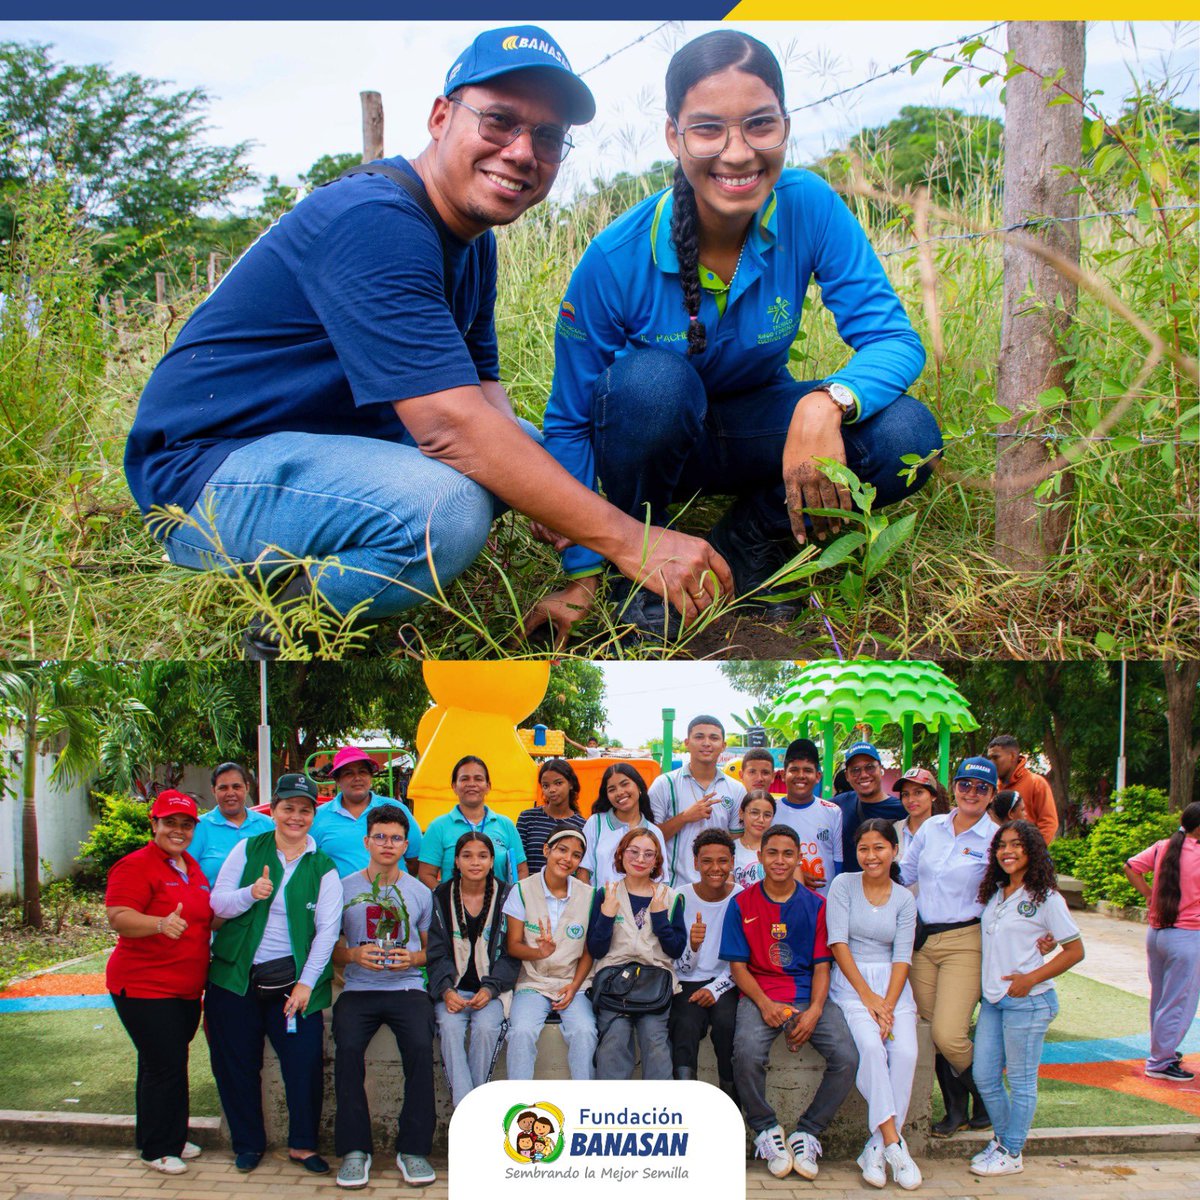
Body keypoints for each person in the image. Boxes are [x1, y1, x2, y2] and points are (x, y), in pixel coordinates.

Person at [124, 24, 730, 657]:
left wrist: (552, 495)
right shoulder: (375, 221)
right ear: (442, 117)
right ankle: (293, 618)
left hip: (315, 445)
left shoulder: (474, 242)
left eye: (547, 137)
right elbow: (449, 425)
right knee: (447, 512)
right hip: (205, 476)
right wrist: (629, 540)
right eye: (499, 121)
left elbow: (483, 387)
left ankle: (348, 542)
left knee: (526, 450)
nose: (523, 151)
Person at [535, 28, 939, 638]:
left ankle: (750, 544)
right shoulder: (613, 256)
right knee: (651, 384)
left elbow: (895, 340)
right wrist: (584, 571)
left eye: (759, 124)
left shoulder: (809, 205)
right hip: (656, 440)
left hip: (758, 433)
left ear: (784, 124)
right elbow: (569, 419)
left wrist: (826, 403)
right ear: (673, 136)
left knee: (908, 436)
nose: (738, 153)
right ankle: (640, 568)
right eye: (706, 129)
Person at [207, 773, 341, 1174]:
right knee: (236, 1063)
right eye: (288, 808)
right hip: (235, 978)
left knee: (303, 1065)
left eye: (304, 810)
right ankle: (248, 1143)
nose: (295, 817)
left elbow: (327, 931)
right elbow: (217, 903)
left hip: (292, 985)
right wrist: (251, 893)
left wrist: (305, 985)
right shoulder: (249, 848)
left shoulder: (323, 865)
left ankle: (302, 1145)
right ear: (274, 809)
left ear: (312, 815)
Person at [721, 824, 859, 1180]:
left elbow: (821, 967)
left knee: (846, 1056)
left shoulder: (816, 905)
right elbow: (738, 966)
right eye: (773, 853)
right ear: (760, 856)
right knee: (747, 1052)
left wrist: (814, 1011)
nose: (780, 861)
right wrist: (765, 1005)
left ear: (799, 858)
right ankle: (766, 1129)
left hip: (806, 993)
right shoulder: (742, 903)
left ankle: (807, 1132)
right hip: (760, 993)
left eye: (788, 854)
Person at [104, 791, 213, 1175]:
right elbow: (118, 916)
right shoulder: (136, 866)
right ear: (154, 824)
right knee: (163, 1065)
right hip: (145, 986)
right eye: (170, 823)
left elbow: (206, 918)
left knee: (167, 1062)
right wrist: (159, 924)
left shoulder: (190, 867)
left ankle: (172, 1135)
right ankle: (156, 1148)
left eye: (186, 824)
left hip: (185, 988)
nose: (178, 831)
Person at [331, 804, 436, 1189]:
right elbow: (330, 949)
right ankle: (355, 1151)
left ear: (405, 843)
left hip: (407, 987)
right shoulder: (343, 888)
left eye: (395, 838)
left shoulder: (420, 892)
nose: (387, 844)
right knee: (346, 1051)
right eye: (380, 837)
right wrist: (354, 955)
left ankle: (413, 1149)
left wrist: (413, 958)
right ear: (367, 841)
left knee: (422, 1048)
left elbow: (433, 950)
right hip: (358, 988)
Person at [971, 820, 1084, 1177]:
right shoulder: (997, 893)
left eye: (1017, 845)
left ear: (1032, 850)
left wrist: (1031, 978)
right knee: (985, 1075)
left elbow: (1075, 950)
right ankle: (1005, 1140)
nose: (1008, 851)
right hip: (994, 1001)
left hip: (1029, 1001)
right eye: (1002, 845)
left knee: (1020, 1081)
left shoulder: (1046, 898)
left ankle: (1012, 1150)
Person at [898, 757, 999, 1138]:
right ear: (953, 788)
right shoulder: (933, 829)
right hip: (923, 941)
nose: (972, 793)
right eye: (965, 784)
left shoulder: (995, 838)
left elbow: (1015, 884)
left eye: (981, 787)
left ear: (992, 794)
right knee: (929, 1030)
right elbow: (905, 873)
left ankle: (988, 1095)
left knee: (949, 1033)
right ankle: (956, 1109)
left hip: (965, 941)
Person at [826, 820, 921, 1191]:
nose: (871, 856)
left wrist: (888, 1005)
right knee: (870, 1048)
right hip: (851, 985)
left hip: (894, 988)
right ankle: (895, 1144)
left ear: (894, 850)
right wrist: (868, 998)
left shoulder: (904, 897)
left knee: (907, 1053)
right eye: (864, 849)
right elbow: (838, 943)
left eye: (879, 847)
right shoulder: (843, 885)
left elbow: (902, 955)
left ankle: (875, 1148)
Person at [427, 831, 518, 1107]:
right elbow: (436, 951)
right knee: (450, 1028)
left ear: (492, 861)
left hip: (492, 991)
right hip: (452, 990)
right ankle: (468, 1110)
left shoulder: (508, 896)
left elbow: (512, 953)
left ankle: (473, 1109)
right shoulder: (442, 895)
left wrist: (490, 989)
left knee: (486, 1029)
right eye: (467, 856)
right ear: (456, 861)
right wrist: (445, 990)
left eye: (482, 856)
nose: (475, 862)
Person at [588, 829, 687, 1079]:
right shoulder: (606, 893)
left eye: (648, 854)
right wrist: (607, 915)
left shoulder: (670, 897)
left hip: (655, 981)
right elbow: (596, 949)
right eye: (633, 851)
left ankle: (655, 1110)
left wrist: (659, 916)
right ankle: (611, 1110)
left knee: (654, 1040)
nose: (640, 859)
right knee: (614, 1038)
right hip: (614, 981)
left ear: (656, 861)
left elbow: (675, 949)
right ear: (621, 854)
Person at [503, 824, 598, 1079]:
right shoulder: (522, 890)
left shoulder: (589, 895)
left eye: (576, 855)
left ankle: (584, 1109)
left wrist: (575, 986)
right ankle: (519, 1107)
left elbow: (589, 951)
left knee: (585, 1032)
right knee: (521, 1032)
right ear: (547, 850)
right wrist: (539, 953)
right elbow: (513, 945)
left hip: (573, 982)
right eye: (562, 850)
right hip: (533, 980)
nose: (568, 859)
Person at [1124, 802, 1200, 1083]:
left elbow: (1130, 867)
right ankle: (1160, 1061)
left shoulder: (1163, 846)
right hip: (1187, 936)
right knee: (1178, 1001)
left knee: (1161, 999)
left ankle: (1162, 1052)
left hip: (1157, 934)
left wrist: (1148, 894)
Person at [670, 829, 741, 1100]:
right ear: (696, 863)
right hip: (686, 981)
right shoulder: (679, 897)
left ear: (732, 863)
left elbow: (742, 960)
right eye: (707, 861)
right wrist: (694, 947)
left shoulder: (741, 897)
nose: (715, 868)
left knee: (726, 1025)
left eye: (722, 861)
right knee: (684, 1025)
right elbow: (681, 966)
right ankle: (687, 1105)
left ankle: (732, 1103)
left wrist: (715, 988)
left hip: (728, 980)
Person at [648, 715, 744, 886]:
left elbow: (737, 840)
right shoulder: (665, 783)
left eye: (714, 738)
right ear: (687, 742)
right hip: (673, 888)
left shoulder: (736, 789)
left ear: (723, 746)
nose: (706, 743)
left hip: (718, 888)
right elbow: (649, 838)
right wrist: (684, 817)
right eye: (699, 737)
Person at [311, 746, 423, 877]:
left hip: (392, 895)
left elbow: (415, 860)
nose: (357, 778)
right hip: (341, 897)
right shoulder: (318, 817)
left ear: (371, 776)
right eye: (348, 773)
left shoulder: (396, 809)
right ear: (337, 780)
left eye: (362, 772)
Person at [418, 756, 527, 887]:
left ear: (488, 786)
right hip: (454, 906)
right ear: (454, 786)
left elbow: (521, 870)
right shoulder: (438, 827)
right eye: (464, 779)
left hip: (500, 906)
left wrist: (511, 900)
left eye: (478, 779)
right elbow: (426, 874)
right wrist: (447, 901)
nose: (472, 784)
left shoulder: (505, 825)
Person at [578, 763, 668, 887]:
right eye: (612, 789)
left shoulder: (654, 832)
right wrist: (593, 904)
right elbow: (583, 870)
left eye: (625, 784)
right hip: (601, 904)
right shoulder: (595, 823)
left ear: (639, 786)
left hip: (641, 906)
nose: (619, 792)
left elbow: (660, 878)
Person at [772, 738, 842, 892]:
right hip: (782, 901)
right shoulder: (771, 811)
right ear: (783, 775)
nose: (801, 775)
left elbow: (838, 863)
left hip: (823, 905)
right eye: (794, 770)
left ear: (818, 776)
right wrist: (796, 875)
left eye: (808, 770)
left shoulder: (832, 811)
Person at [188, 763, 273, 885]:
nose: (230, 793)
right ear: (213, 790)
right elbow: (185, 874)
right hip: (212, 903)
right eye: (223, 788)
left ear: (247, 787)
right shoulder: (199, 827)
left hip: (262, 903)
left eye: (236, 787)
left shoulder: (268, 825)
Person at [831, 741, 905, 873]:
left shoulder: (901, 810)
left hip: (884, 889)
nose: (864, 774)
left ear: (880, 769)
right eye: (855, 770)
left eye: (870, 767)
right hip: (847, 889)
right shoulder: (837, 805)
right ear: (847, 776)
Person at [516, 758, 586, 873]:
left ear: (571, 784)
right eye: (546, 785)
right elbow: (519, 863)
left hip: (566, 890)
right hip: (529, 889)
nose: (552, 790)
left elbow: (580, 869)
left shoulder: (582, 825)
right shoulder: (527, 818)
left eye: (558, 783)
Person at [986, 736, 1058, 846]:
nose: (991, 763)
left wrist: (1031, 853)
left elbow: (1048, 824)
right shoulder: (992, 787)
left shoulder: (1036, 783)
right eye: (989, 758)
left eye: (995, 757)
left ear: (1012, 756)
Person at [892, 767, 948, 859]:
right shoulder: (894, 830)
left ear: (933, 795)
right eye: (905, 794)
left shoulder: (947, 831)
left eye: (918, 792)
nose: (911, 800)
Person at [733, 789, 776, 888]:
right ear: (741, 813)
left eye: (767, 815)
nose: (761, 820)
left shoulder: (779, 849)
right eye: (754, 813)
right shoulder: (731, 849)